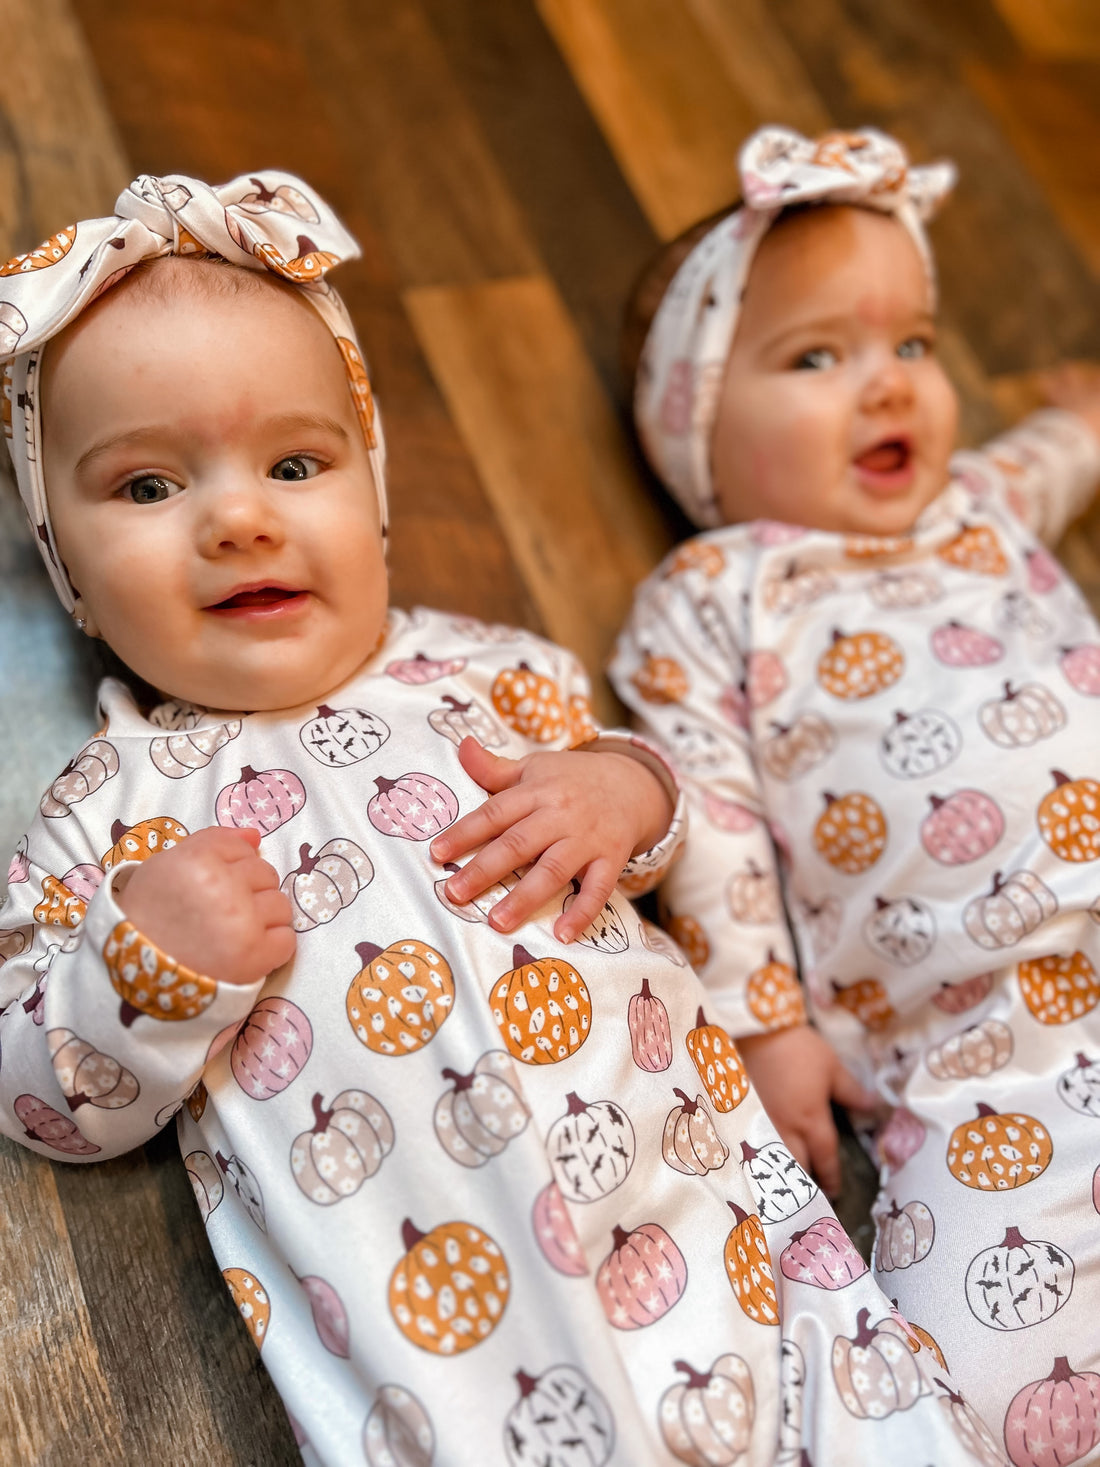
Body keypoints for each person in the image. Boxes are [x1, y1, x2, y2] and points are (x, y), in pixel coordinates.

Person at [0, 169, 1001, 1467]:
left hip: (696, 1213)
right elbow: (37, 1096)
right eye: (145, 489)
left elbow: (657, 810)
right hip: (447, 1348)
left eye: (297, 463)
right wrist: (143, 968)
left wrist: (623, 791)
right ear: (65, 558)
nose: (239, 518)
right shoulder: (106, 810)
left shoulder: (489, 671)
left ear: (372, 487)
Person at [610, 122, 1100, 1458]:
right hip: (977, 1046)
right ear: (696, 431)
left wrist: (1080, 424)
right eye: (818, 358)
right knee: (988, 1394)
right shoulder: (714, 593)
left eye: (914, 347)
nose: (889, 388)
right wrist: (767, 1027)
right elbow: (705, 815)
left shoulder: (976, 503)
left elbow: (1050, 462)